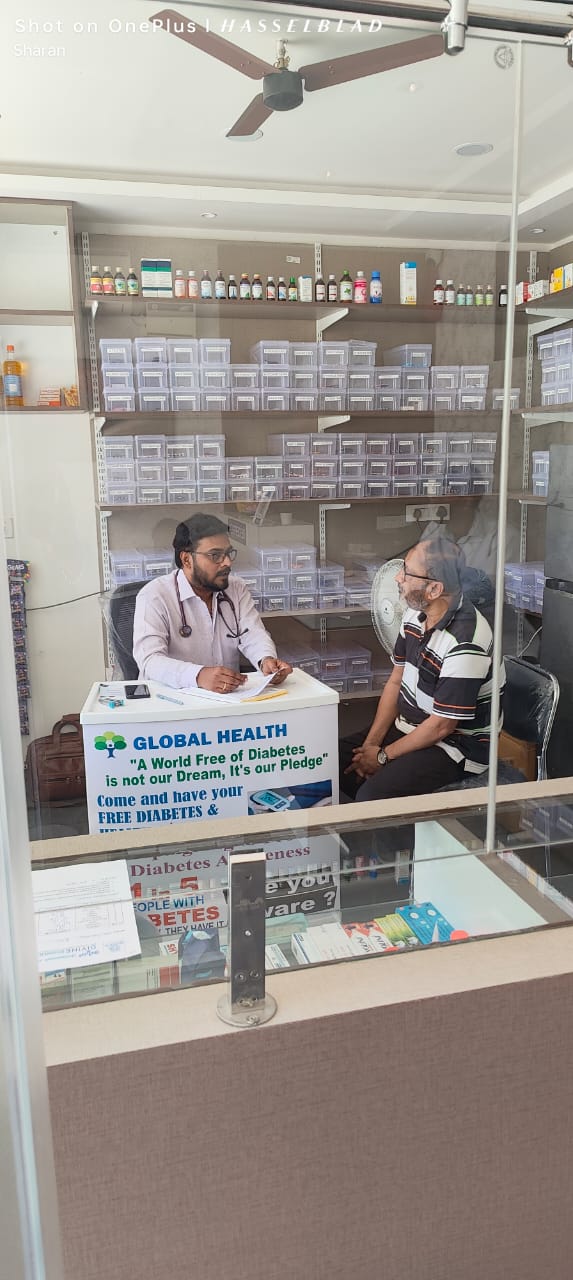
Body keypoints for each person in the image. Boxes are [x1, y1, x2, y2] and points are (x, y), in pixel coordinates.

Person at [340, 532, 504, 805]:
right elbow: (396, 681)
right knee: (333, 760)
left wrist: (382, 756)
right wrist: (371, 745)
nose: (398, 577)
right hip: (410, 727)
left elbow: (441, 727)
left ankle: (397, 835)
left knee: (372, 797)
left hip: (454, 747)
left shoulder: (465, 643)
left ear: (434, 590)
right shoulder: (415, 614)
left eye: (406, 572)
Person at [132, 513, 292, 693]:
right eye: (215, 555)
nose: (227, 562)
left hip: (227, 697)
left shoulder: (236, 588)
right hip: (171, 698)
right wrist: (198, 676)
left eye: (228, 553)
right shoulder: (154, 596)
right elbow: (150, 660)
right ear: (187, 559)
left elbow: (253, 634)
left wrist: (266, 660)